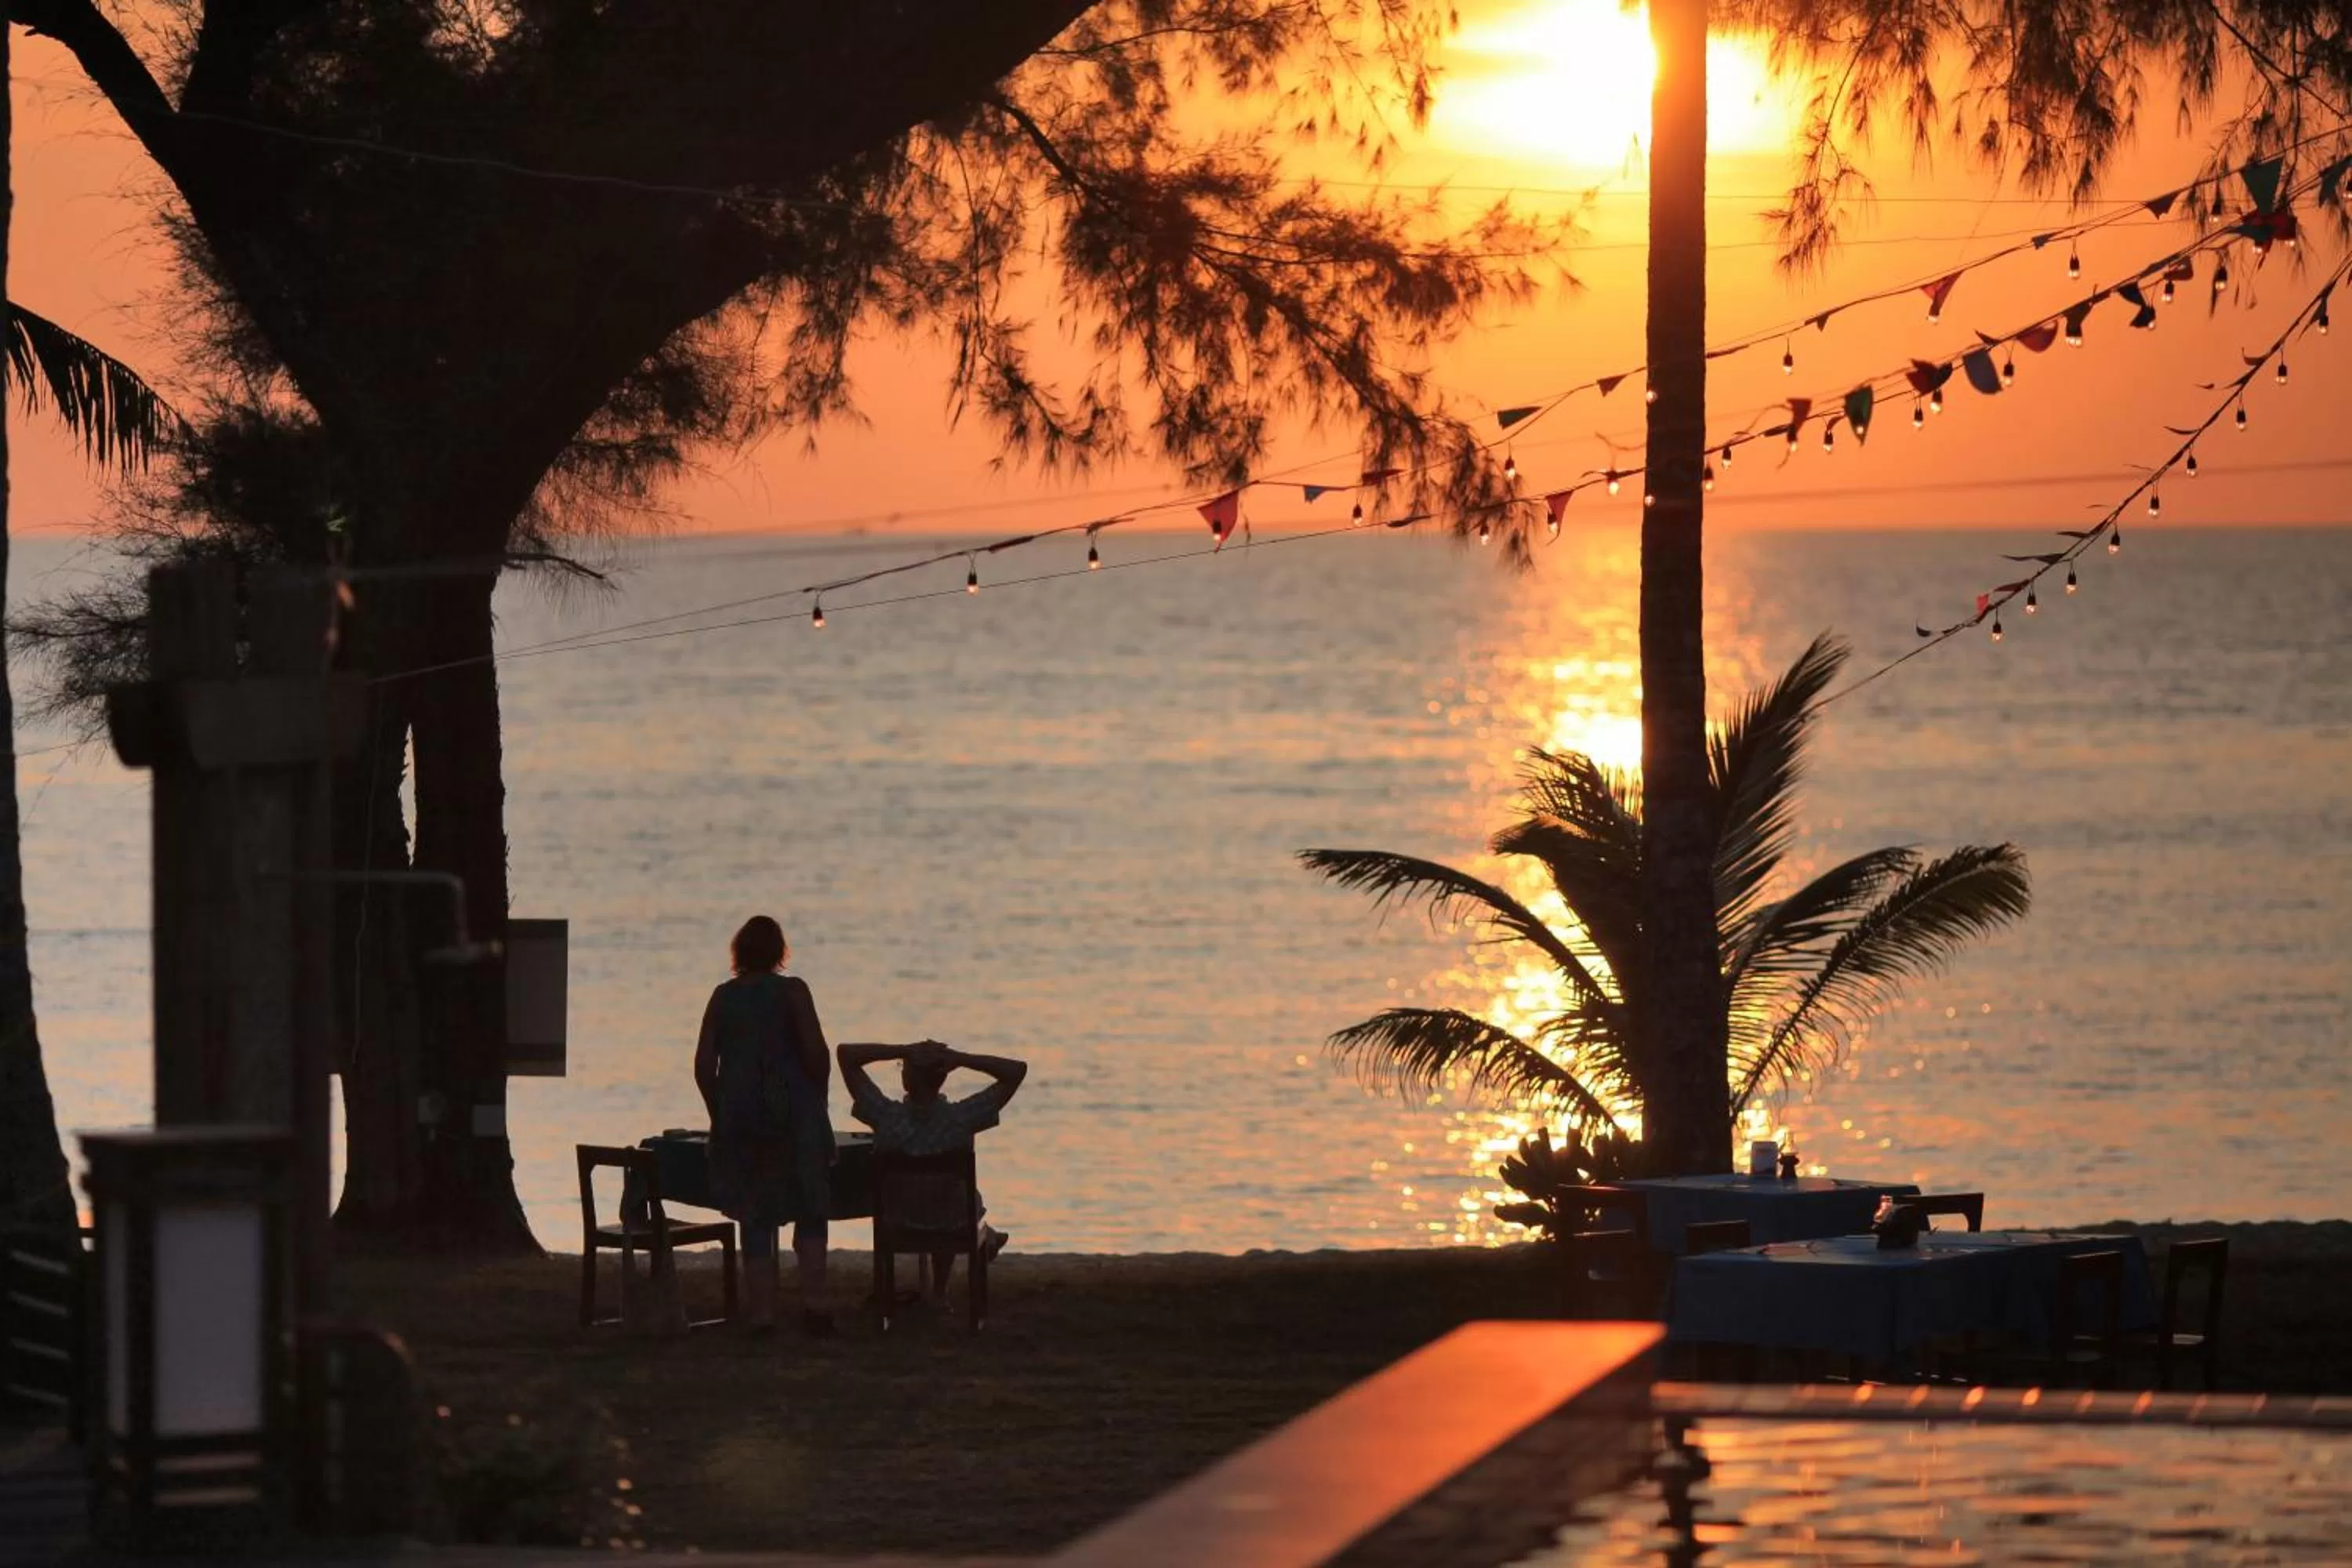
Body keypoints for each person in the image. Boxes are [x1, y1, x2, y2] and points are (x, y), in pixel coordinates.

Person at [694, 915, 837, 1336]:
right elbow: (816, 1053)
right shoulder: (794, 992)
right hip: (796, 1112)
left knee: (754, 1213)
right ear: (779, 952)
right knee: (810, 1207)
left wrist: (718, 1111)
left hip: (742, 1114)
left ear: (739, 953)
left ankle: (762, 1314)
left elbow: (704, 1066)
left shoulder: (723, 998)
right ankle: (813, 1304)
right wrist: (819, 1100)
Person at [837, 1040, 1025, 1307]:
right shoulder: (962, 1118)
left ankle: (981, 1247)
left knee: (938, 1197)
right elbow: (1016, 1072)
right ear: (943, 1078)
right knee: (947, 1199)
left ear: (906, 1080)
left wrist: (902, 1050)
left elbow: (846, 1055)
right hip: (951, 1223)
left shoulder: (885, 1116)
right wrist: (962, 1057)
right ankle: (940, 1291)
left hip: (898, 1220)